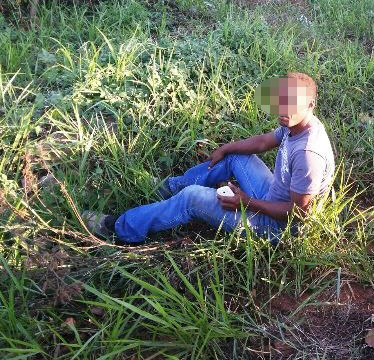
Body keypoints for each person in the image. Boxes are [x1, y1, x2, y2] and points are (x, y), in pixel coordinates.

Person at [82, 73, 336, 243]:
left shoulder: (307, 153)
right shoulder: (295, 124)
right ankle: (165, 189)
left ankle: (119, 228)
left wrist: (246, 203)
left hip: (276, 227)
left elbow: (298, 214)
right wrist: (227, 148)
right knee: (237, 156)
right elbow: (262, 142)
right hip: (271, 195)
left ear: (311, 104)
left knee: (192, 198)